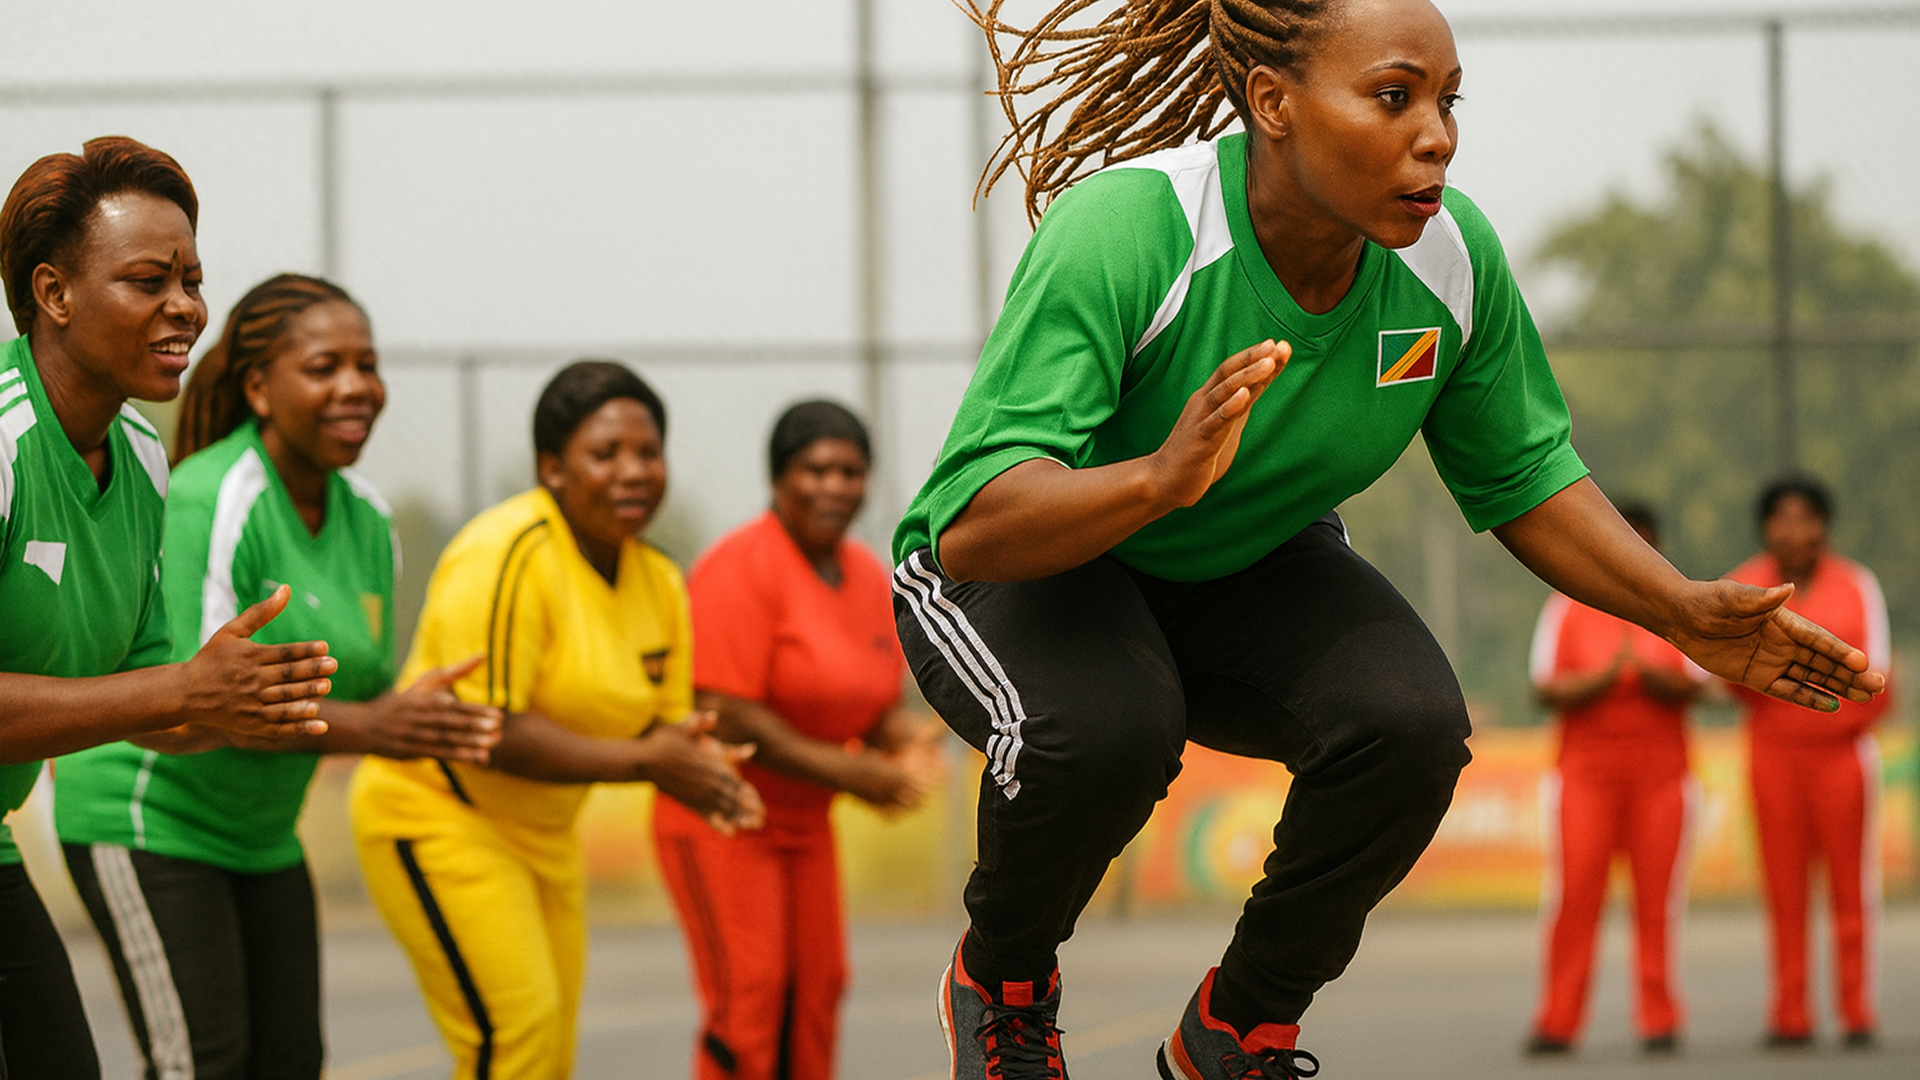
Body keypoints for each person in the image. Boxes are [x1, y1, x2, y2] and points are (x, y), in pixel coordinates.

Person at [893, 3, 1887, 1079]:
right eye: (1394, 95)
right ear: (1272, 102)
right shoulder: (1137, 229)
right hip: (1028, 563)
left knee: (1408, 724)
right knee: (1112, 727)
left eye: (1447, 100)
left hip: (1242, 555)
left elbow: (1525, 475)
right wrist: (1155, 479)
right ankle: (1001, 983)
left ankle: (1239, 1030)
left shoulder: (1449, 264)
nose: (1437, 134)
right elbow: (981, 520)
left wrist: (1678, 609)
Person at [51, 273, 503, 1080]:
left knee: (293, 1061)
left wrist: (410, 713)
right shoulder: (213, 495)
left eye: (368, 365)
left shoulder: (366, 517)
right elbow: (200, 696)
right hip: (151, 817)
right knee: (202, 1063)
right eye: (326, 366)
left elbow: (354, 689)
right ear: (259, 387)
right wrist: (378, 727)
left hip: (261, 835)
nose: (356, 387)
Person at [0, 136, 337, 1078]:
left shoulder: (146, 456)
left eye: (192, 279)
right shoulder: (2, 443)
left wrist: (230, 703)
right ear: (54, 293)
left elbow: (144, 692)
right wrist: (182, 691)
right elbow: (153, 693)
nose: (186, 307)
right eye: (149, 280)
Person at [348, 359, 765, 1080]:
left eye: (648, 453)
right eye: (604, 455)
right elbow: (491, 731)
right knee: (514, 1036)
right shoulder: (505, 552)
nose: (633, 472)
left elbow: (661, 733)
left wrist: (699, 764)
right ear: (553, 469)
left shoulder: (659, 580)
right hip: (439, 815)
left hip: (544, 832)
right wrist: (651, 762)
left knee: (551, 1049)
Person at [653, 399, 940, 1080]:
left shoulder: (869, 575)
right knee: (749, 997)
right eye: (816, 470)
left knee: (818, 991)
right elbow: (730, 715)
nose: (835, 486)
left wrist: (908, 742)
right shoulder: (739, 565)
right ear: (779, 478)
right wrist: (859, 777)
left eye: (851, 471)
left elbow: (870, 707)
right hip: (725, 816)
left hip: (805, 825)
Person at [1523, 503, 1703, 1056]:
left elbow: (1700, 685)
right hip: (1586, 779)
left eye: (1644, 545)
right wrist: (1603, 680)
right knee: (1575, 899)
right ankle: (1558, 1021)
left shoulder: (1680, 606)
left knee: (1657, 903)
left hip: (1660, 778)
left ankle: (1659, 1020)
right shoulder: (1566, 605)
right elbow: (1544, 689)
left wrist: (1652, 678)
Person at [1725, 477, 1892, 1049]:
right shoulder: (1744, 585)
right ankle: (1790, 1013)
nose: (1794, 531)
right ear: (1765, 527)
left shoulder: (1858, 586)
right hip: (1772, 755)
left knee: (1852, 890)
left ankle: (1856, 1010)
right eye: (1782, 518)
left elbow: (1881, 677)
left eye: (1806, 518)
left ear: (1825, 525)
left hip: (1841, 757)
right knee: (1783, 889)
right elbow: (1716, 671)